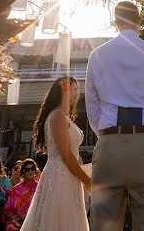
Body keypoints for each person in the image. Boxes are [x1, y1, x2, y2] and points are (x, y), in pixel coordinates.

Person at [86, 0, 144, 231]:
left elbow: (91, 106)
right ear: (139, 22)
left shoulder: (97, 55)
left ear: (115, 22)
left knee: (103, 224)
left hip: (108, 144)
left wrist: (104, 135)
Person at [20, 76, 91, 230]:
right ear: (64, 91)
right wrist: (86, 180)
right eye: (74, 89)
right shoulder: (57, 116)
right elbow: (65, 155)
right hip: (60, 176)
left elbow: (73, 153)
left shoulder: (63, 117)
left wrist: (85, 173)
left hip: (69, 176)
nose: (77, 94)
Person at [2, 159, 39, 230]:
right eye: (27, 169)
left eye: (32, 169)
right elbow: (7, 208)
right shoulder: (16, 188)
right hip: (17, 221)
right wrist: (15, 219)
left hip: (34, 219)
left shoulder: (39, 187)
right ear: (22, 172)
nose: (30, 171)